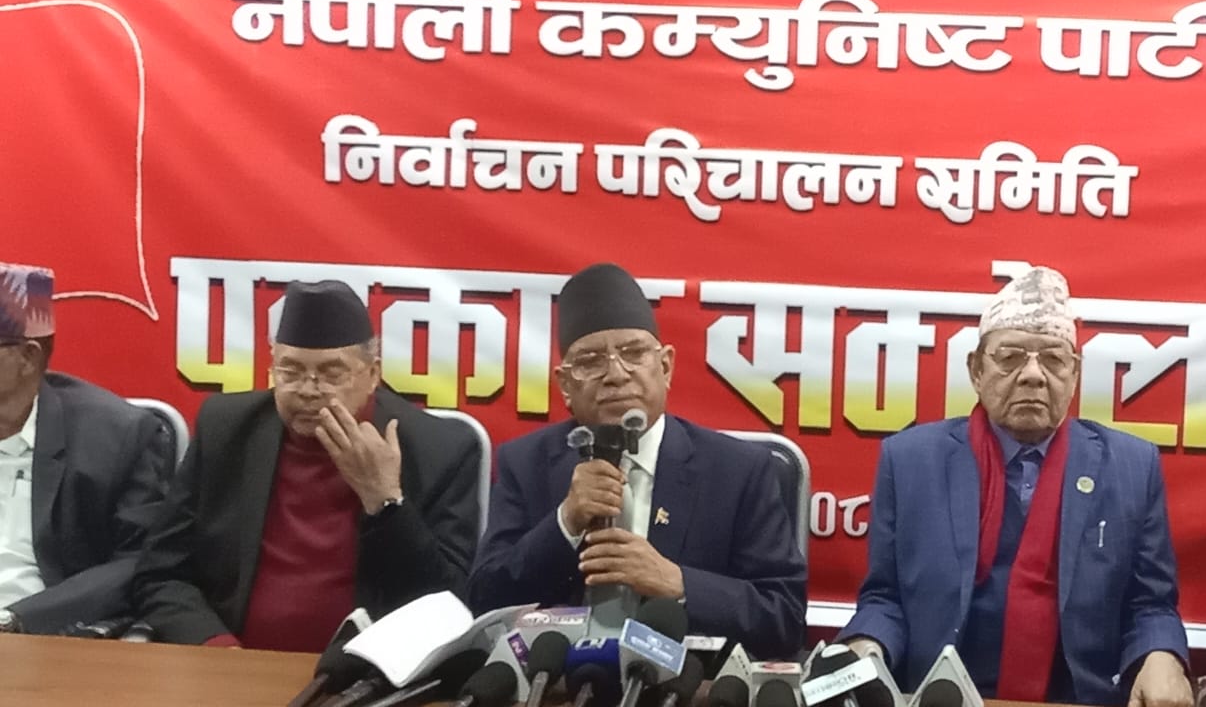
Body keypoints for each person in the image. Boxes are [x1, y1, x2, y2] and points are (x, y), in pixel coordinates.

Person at [840, 266, 1191, 706]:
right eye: (1010, 358)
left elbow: (1150, 604)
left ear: (1075, 373)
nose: (1033, 376)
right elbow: (884, 597)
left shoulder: (1131, 466)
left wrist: (1162, 656)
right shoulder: (911, 461)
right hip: (937, 695)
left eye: (1053, 360)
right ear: (976, 370)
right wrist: (867, 649)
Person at [468, 263, 806, 658]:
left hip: (684, 685)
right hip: (556, 680)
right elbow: (484, 604)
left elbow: (784, 619)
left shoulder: (737, 471)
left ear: (665, 367)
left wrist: (679, 584)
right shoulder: (527, 463)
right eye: (590, 361)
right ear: (565, 385)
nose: (615, 374)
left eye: (633, 353)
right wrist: (564, 521)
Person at [132, 280, 481, 651]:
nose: (309, 390)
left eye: (331, 374)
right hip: (232, 662)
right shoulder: (227, 430)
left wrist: (385, 501)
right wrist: (217, 647)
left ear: (372, 374)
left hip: (370, 672)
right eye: (291, 371)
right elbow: (161, 573)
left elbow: (447, 606)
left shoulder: (438, 449)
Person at [0, 262, 169, 635]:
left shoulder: (117, 436)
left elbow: (140, 561)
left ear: (28, 357)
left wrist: (15, 620)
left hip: (41, 637)